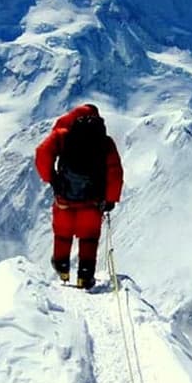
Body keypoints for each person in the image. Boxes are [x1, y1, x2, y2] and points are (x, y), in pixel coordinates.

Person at [34, 104, 123, 289]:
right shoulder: (105, 142)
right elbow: (115, 171)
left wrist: (51, 178)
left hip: (65, 198)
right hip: (92, 201)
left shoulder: (63, 135)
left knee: (62, 235)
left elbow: (42, 153)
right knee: (89, 238)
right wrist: (110, 199)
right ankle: (85, 277)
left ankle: (62, 270)